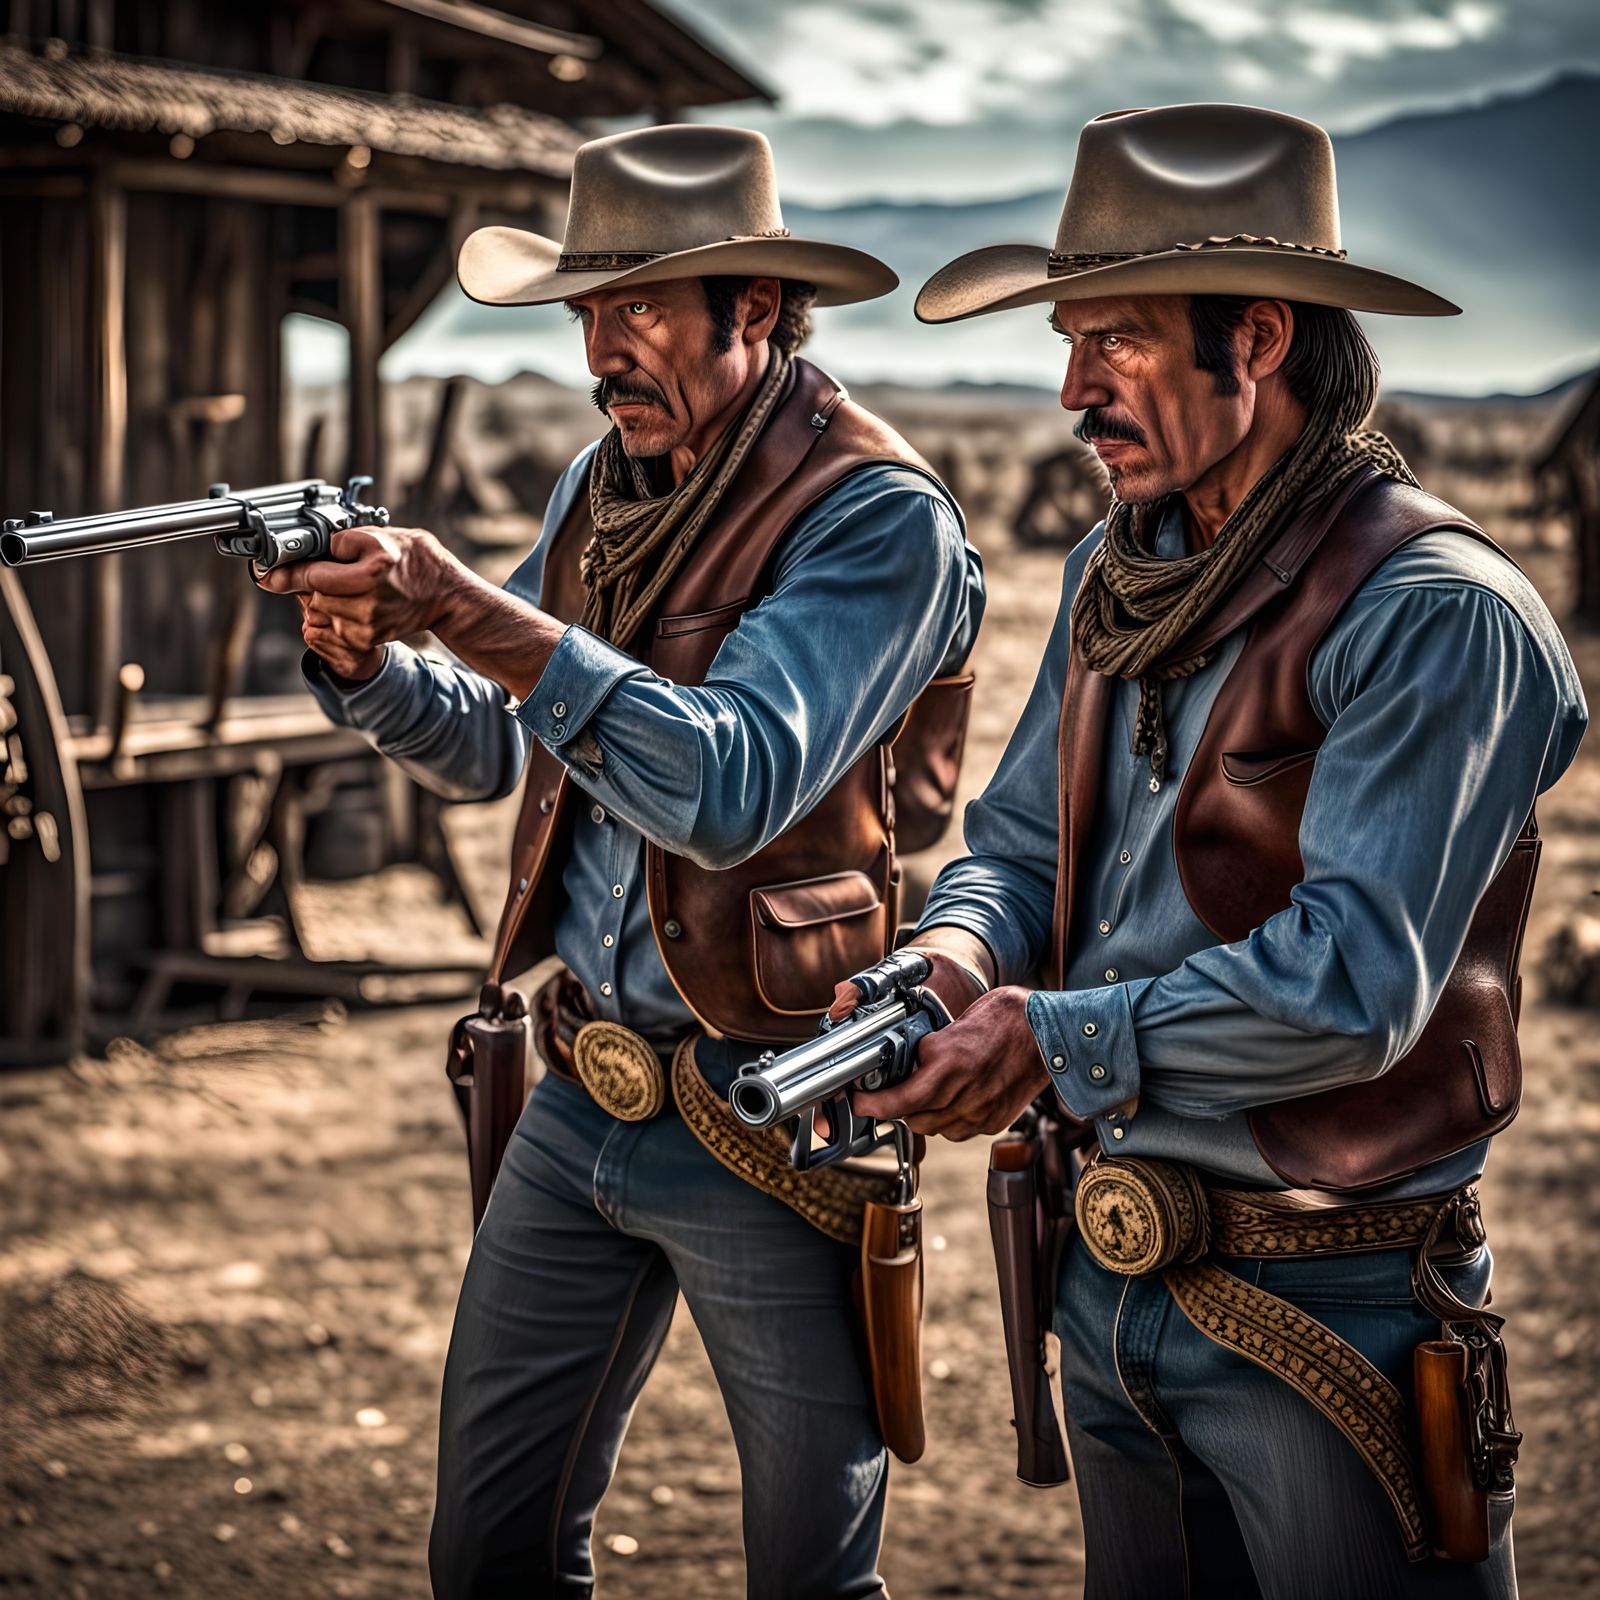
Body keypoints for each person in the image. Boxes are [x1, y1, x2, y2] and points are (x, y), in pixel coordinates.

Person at [837, 103, 1587, 1597]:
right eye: (1067, 343)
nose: (1069, 388)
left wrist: (1049, 1041)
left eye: (1109, 341)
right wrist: (948, 958)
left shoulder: (1437, 613)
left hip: (1338, 1307)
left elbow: (1352, 983)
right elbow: (1017, 851)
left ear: (1254, 339)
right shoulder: (1124, 579)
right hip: (1110, 1284)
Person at [258, 125, 983, 1598]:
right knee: (491, 1547)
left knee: (808, 1574)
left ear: (758, 310)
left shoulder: (877, 520)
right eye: (589, 311)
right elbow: (494, 749)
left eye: (641, 306)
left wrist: (463, 609)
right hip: (581, 1090)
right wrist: (365, 664)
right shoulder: (602, 486)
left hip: (775, 1111)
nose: (605, 347)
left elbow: (722, 785)